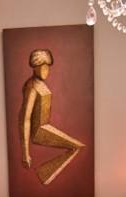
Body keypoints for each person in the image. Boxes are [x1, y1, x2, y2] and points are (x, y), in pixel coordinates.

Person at [19, 49, 85, 185]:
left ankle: (45, 172)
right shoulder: (32, 87)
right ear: (35, 67)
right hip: (39, 131)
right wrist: (25, 153)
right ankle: (44, 173)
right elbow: (25, 118)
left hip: (45, 127)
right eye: (43, 67)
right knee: (77, 147)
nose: (46, 71)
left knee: (77, 146)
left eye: (47, 67)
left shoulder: (40, 84)